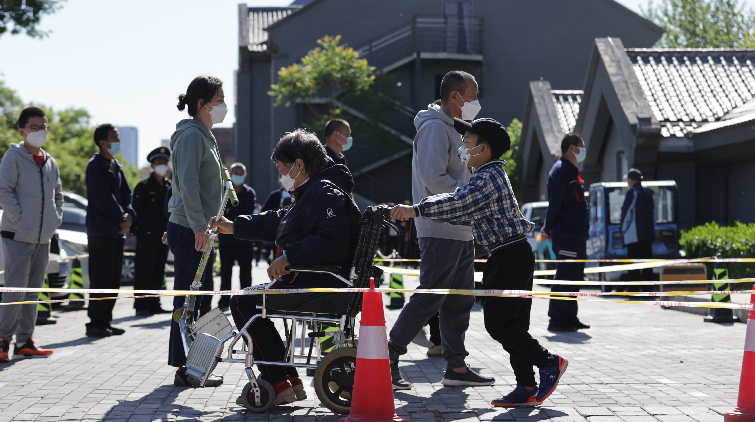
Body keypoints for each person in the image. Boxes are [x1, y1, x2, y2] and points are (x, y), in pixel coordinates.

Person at [391, 117, 568, 407]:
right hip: (513, 254)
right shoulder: (488, 176)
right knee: (514, 325)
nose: (462, 147)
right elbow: (461, 203)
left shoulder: (487, 178)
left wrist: (416, 210)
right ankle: (526, 385)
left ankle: (548, 362)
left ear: (482, 148)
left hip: (508, 256)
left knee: (498, 325)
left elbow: (459, 204)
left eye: (467, 142)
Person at [210, 129, 361, 407]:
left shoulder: (323, 190)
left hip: (321, 282)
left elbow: (332, 238)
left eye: (282, 168)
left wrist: (289, 255)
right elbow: (281, 221)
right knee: (248, 300)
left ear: (299, 164)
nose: (281, 175)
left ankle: (279, 383)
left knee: (243, 303)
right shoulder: (315, 190)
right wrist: (235, 226)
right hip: (317, 279)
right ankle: (287, 381)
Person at [388, 70, 493, 390]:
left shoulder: (454, 128)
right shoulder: (434, 128)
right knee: (431, 296)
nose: (477, 101)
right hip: (439, 226)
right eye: (473, 95)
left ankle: (456, 366)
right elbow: (434, 179)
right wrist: (469, 196)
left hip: (458, 227)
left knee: (459, 299)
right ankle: (388, 357)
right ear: (455, 97)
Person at [167, 75, 225, 386]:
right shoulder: (191, 136)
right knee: (188, 300)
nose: (223, 106)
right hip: (194, 229)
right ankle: (184, 367)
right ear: (202, 104)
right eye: (218, 100)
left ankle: (195, 366)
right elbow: (187, 184)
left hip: (198, 228)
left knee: (198, 297)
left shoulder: (204, 135)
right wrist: (196, 224)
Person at [0, 107, 62, 361]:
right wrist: (22, 219)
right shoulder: (12, 157)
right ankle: (3, 339)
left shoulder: (50, 162)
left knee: (34, 290)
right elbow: (3, 191)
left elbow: (58, 195)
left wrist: (54, 220)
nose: (40, 132)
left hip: (42, 237)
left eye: (43, 127)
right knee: (15, 290)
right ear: (22, 131)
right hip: (17, 235)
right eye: (34, 127)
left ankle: (25, 340)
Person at [85, 124, 134, 338]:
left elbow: (126, 194)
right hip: (101, 232)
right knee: (101, 279)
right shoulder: (95, 166)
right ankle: (95, 323)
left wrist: (130, 215)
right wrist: (121, 217)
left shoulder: (116, 165)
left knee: (114, 280)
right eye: (114, 137)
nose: (118, 141)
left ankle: (106, 320)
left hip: (117, 231)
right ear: (103, 142)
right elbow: (102, 198)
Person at [541, 133, 590, 332]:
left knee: (575, 279)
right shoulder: (561, 171)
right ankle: (557, 319)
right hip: (567, 236)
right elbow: (555, 204)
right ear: (572, 148)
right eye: (581, 146)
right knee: (564, 278)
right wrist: (547, 227)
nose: (583, 150)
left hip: (577, 236)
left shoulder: (571, 171)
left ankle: (570, 318)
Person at [132, 147, 172, 317]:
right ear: (152, 165)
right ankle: (141, 305)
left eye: (164, 162)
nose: (162, 165)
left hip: (163, 236)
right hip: (146, 236)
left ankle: (155, 303)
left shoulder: (169, 186)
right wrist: (134, 233)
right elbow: (136, 211)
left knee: (158, 271)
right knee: (144, 272)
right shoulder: (143, 186)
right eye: (158, 162)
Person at [217, 162, 256, 311]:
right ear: (230, 175)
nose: (237, 175)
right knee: (226, 271)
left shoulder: (249, 192)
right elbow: (221, 211)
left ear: (245, 175)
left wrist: (230, 211)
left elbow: (249, 212)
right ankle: (224, 301)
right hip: (226, 239)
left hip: (245, 238)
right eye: (235, 172)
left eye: (241, 173)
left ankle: (247, 300)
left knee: (246, 271)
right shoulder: (224, 192)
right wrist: (233, 212)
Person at [620, 168, 655, 293]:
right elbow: (653, 216)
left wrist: (622, 229)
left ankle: (633, 290)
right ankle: (648, 290)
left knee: (634, 266)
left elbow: (627, 213)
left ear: (630, 180)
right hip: (648, 235)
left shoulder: (632, 193)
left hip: (634, 236)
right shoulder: (649, 194)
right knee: (647, 266)